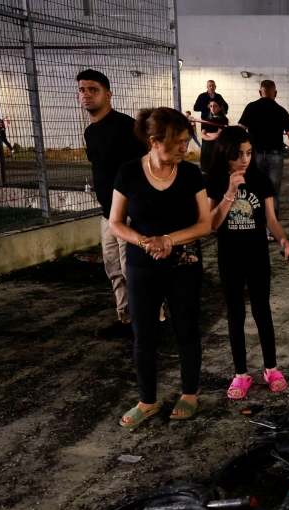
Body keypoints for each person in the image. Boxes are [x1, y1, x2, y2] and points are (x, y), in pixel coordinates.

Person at [108, 107, 212, 427]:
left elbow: (205, 223)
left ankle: (189, 393)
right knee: (144, 336)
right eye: (178, 141)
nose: (185, 147)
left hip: (184, 263)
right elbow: (115, 223)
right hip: (142, 265)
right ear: (154, 141)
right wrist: (144, 242)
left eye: (186, 140)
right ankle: (147, 400)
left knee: (186, 330)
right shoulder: (128, 172)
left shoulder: (192, 174)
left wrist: (167, 239)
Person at [206, 126, 289, 398]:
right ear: (225, 154)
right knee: (235, 313)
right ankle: (240, 375)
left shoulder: (260, 180)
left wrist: (285, 244)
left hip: (257, 254)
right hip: (229, 255)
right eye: (238, 155)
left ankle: (271, 368)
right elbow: (211, 223)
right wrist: (229, 192)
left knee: (262, 310)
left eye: (248, 153)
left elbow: (271, 220)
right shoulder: (214, 179)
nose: (244, 160)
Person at [78, 69, 149, 340]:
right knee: (114, 270)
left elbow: (147, 166)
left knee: (134, 272)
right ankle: (127, 320)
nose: (86, 94)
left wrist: (138, 207)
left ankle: (154, 320)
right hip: (108, 214)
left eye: (93, 89)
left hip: (130, 214)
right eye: (82, 90)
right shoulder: (90, 132)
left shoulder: (127, 127)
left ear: (108, 94)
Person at [237, 79, 289, 232]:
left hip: (255, 157)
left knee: (253, 193)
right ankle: (271, 231)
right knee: (272, 194)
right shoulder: (281, 111)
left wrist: (239, 155)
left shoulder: (251, 108)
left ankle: (255, 228)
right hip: (275, 156)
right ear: (276, 93)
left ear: (260, 93)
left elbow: (240, 131)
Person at [199, 100, 226, 175]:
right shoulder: (206, 120)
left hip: (216, 149)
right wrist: (212, 136)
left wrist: (207, 134)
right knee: (205, 171)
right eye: (211, 106)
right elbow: (202, 135)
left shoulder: (223, 120)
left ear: (220, 108)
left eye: (215, 106)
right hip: (206, 149)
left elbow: (218, 135)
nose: (213, 108)